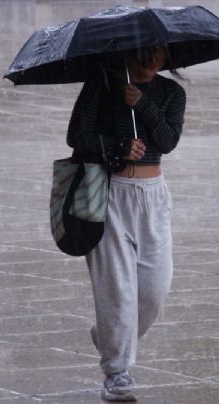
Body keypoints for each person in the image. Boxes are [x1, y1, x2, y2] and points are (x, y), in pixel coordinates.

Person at [66, 45, 186, 401]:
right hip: (108, 193)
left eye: (159, 53)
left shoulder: (171, 93)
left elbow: (168, 140)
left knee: (153, 291)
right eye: (144, 52)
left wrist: (142, 104)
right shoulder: (101, 86)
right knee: (116, 289)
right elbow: (77, 136)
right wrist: (117, 145)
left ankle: (108, 335)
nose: (152, 60)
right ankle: (116, 373)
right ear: (127, 52)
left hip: (153, 196)